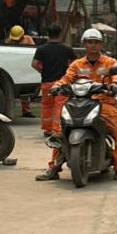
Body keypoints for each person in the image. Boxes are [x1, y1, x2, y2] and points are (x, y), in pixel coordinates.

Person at [37, 28, 117, 182]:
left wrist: (115, 84)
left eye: (96, 42)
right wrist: (57, 86)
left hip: (103, 102)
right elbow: (66, 78)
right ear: (84, 44)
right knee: (61, 131)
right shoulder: (77, 64)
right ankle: (54, 167)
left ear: (101, 44)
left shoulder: (110, 62)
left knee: (116, 130)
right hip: (79, 101)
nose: (93, 45)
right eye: (90, 42)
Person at [31, 25, 75, 163]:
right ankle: (57, 130)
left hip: (46, 82)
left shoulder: (41, 49)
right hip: (61, 83)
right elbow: (75, 64)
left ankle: (47, 129)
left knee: (46, 106)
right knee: (59, 107)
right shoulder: (66, 49)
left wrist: (42, 71)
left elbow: (34, 64)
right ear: (60, 34)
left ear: (48, 34)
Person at [4, 25, 35, 117]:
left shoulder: (28, 39)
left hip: (24, 67)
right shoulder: (8, 41)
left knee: (25, 91)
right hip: (13, 67)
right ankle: (8, 111)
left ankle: (26, 111)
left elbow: (33, 52)